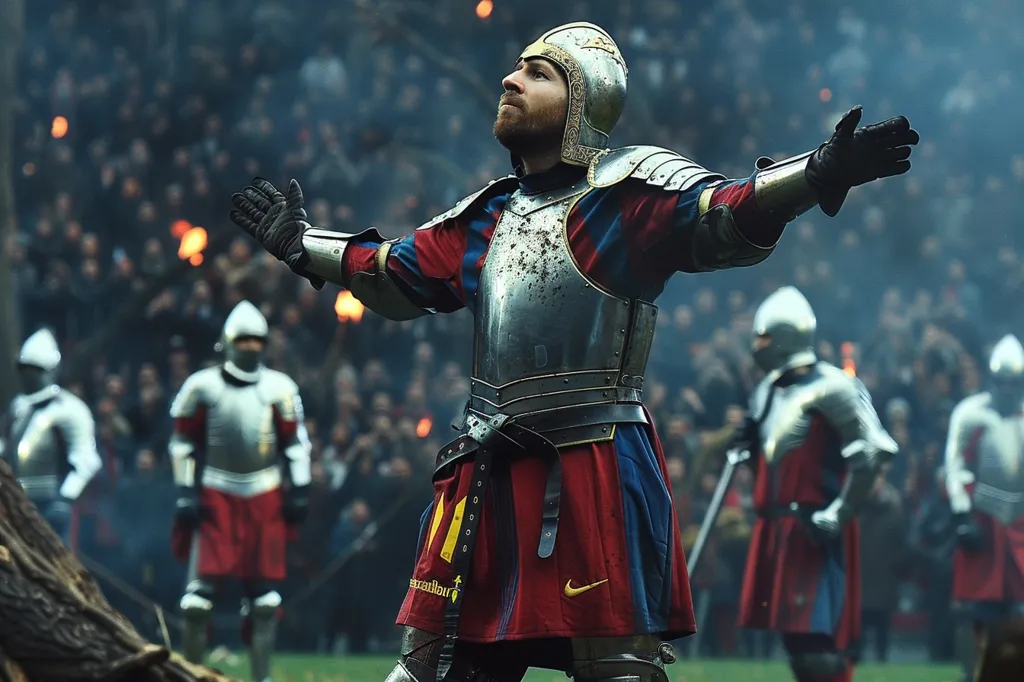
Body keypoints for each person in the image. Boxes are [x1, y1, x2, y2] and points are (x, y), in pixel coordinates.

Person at [228, 22, 919, 682]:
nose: (511, 80)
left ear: (584, 100)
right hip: (485, 467)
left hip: (593, 463)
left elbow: (723, 210)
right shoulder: (486, 215)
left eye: (537, 73)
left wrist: (816, 173)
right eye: (515, 68)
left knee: (616, 668)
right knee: (430, 667)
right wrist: (303, 245)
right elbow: (390, 270)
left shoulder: (627, 194)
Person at [732, 286, 899, 682]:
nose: (757, 346)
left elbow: (875, 451)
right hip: (775, 526)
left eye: (764, 337)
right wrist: (749, 445)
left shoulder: (836, 385)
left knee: (818, 643)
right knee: (794, 640)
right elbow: (774, 465)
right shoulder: (766, 392)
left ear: (786, 336)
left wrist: (838, 513)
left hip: (812, 527)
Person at [168, 301, 311, 682]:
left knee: (264, 601)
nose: (249, 347)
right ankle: (191, 675)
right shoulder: (201, 386)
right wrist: (185, 491)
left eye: (256, 340)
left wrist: (300, 487)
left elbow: (295, 444)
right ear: (228, 343)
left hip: (265, 492)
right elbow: (182, 442)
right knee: (197, 603)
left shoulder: (280, 388)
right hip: (216, 493)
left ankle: (261, 678)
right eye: (243, 340)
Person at [944, 334, 1024, 682]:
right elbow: (955, 465)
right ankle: (972, 675)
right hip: (982, 520)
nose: (1006, 389)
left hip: (1022, 524)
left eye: (1013, 382)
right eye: (1001, 382)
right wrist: (962, 513)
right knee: (976, 610)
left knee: (1019, 612)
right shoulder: (970, 413)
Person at [1, 328, 101, 543]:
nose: (27, 375)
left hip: (51, 502)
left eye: (34, 370)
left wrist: (65, 498)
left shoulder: (71, 409)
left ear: (49, 371)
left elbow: (86, 461)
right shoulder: (19, 406)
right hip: (14, 501)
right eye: (24, 369)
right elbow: (5, 445)